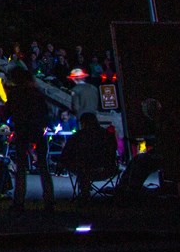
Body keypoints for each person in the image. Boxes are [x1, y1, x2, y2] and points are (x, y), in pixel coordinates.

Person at [6, 65, 54, 213]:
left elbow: (10, 111)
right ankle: (49, 202)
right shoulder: (37, 92)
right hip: (38, 130)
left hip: (23, 130)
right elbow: (46, 111)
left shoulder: (15, 93)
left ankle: (19, 202)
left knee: (21, 167)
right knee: (43, 167)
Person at [59, 112, 119, 200]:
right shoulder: (108, 135)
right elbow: (114, 150)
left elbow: (66, 152)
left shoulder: (77, 136)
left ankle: (84, 192)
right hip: (108, 170)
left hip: (84, 171)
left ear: (83, 123)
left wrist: (61, 164)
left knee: (81, 163)